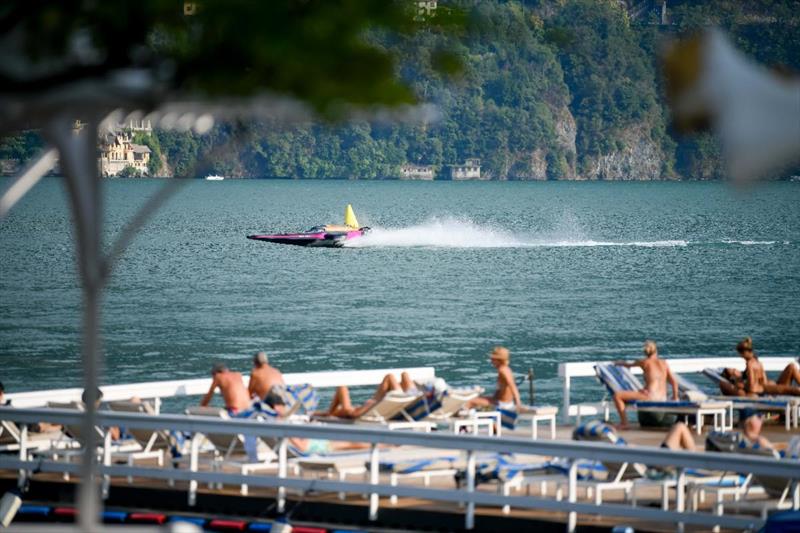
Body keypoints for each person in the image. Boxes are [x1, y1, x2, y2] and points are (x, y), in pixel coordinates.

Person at [612, 340, 679, 429]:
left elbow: (628, 365)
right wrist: (675, 398)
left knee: (617, 395)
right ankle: (624, 422)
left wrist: (618, 363)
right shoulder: (664, 363)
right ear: (656, 350)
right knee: (640, 391)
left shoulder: (644, 362)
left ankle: (624, 423)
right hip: (663, 398)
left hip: (650, 397)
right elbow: (674, 383)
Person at [317, 371, 418, 419]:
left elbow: (341, 389)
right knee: (393, 376)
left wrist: (327, 413)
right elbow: (342, 388)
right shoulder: (349, 412)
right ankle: (412, 395)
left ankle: (410, 394)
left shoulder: (347, 411)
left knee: (397, 376)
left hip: (375, 406)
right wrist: (329, 412)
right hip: (374, 406)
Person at [725, 337, 800, 397]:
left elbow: (753, 387)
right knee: (793, 388)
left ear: (744, 353)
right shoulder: (757, 363)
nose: (740, 356)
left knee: (792, 367)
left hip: (772, 387)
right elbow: (760, 383)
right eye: (733, 371)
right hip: (771, 388)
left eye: (740, 354)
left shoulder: (751, 364)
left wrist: (742, 385)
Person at [466, 346, 522, 411]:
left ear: (499, 360)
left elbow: (512, 386)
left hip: (503, 404)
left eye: (493, 359)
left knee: (469, 402)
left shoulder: (503, 370)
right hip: (500, 401)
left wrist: (518, 404)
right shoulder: (506, 369)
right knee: (478, 398)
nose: (491, 361)